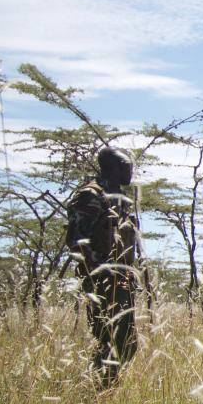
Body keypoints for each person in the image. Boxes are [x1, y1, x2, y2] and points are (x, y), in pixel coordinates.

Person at [65, 147, 139, 386]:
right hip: (102, 282)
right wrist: (99, 272)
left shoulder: (119, 198)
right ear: (114, 167)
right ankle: (101, 389)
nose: (131, 171)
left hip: (123, 280)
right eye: (126, 166)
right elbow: (77, 242)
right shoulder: (91, 195)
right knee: (107, 340)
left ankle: (108, 386)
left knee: (127, 342)